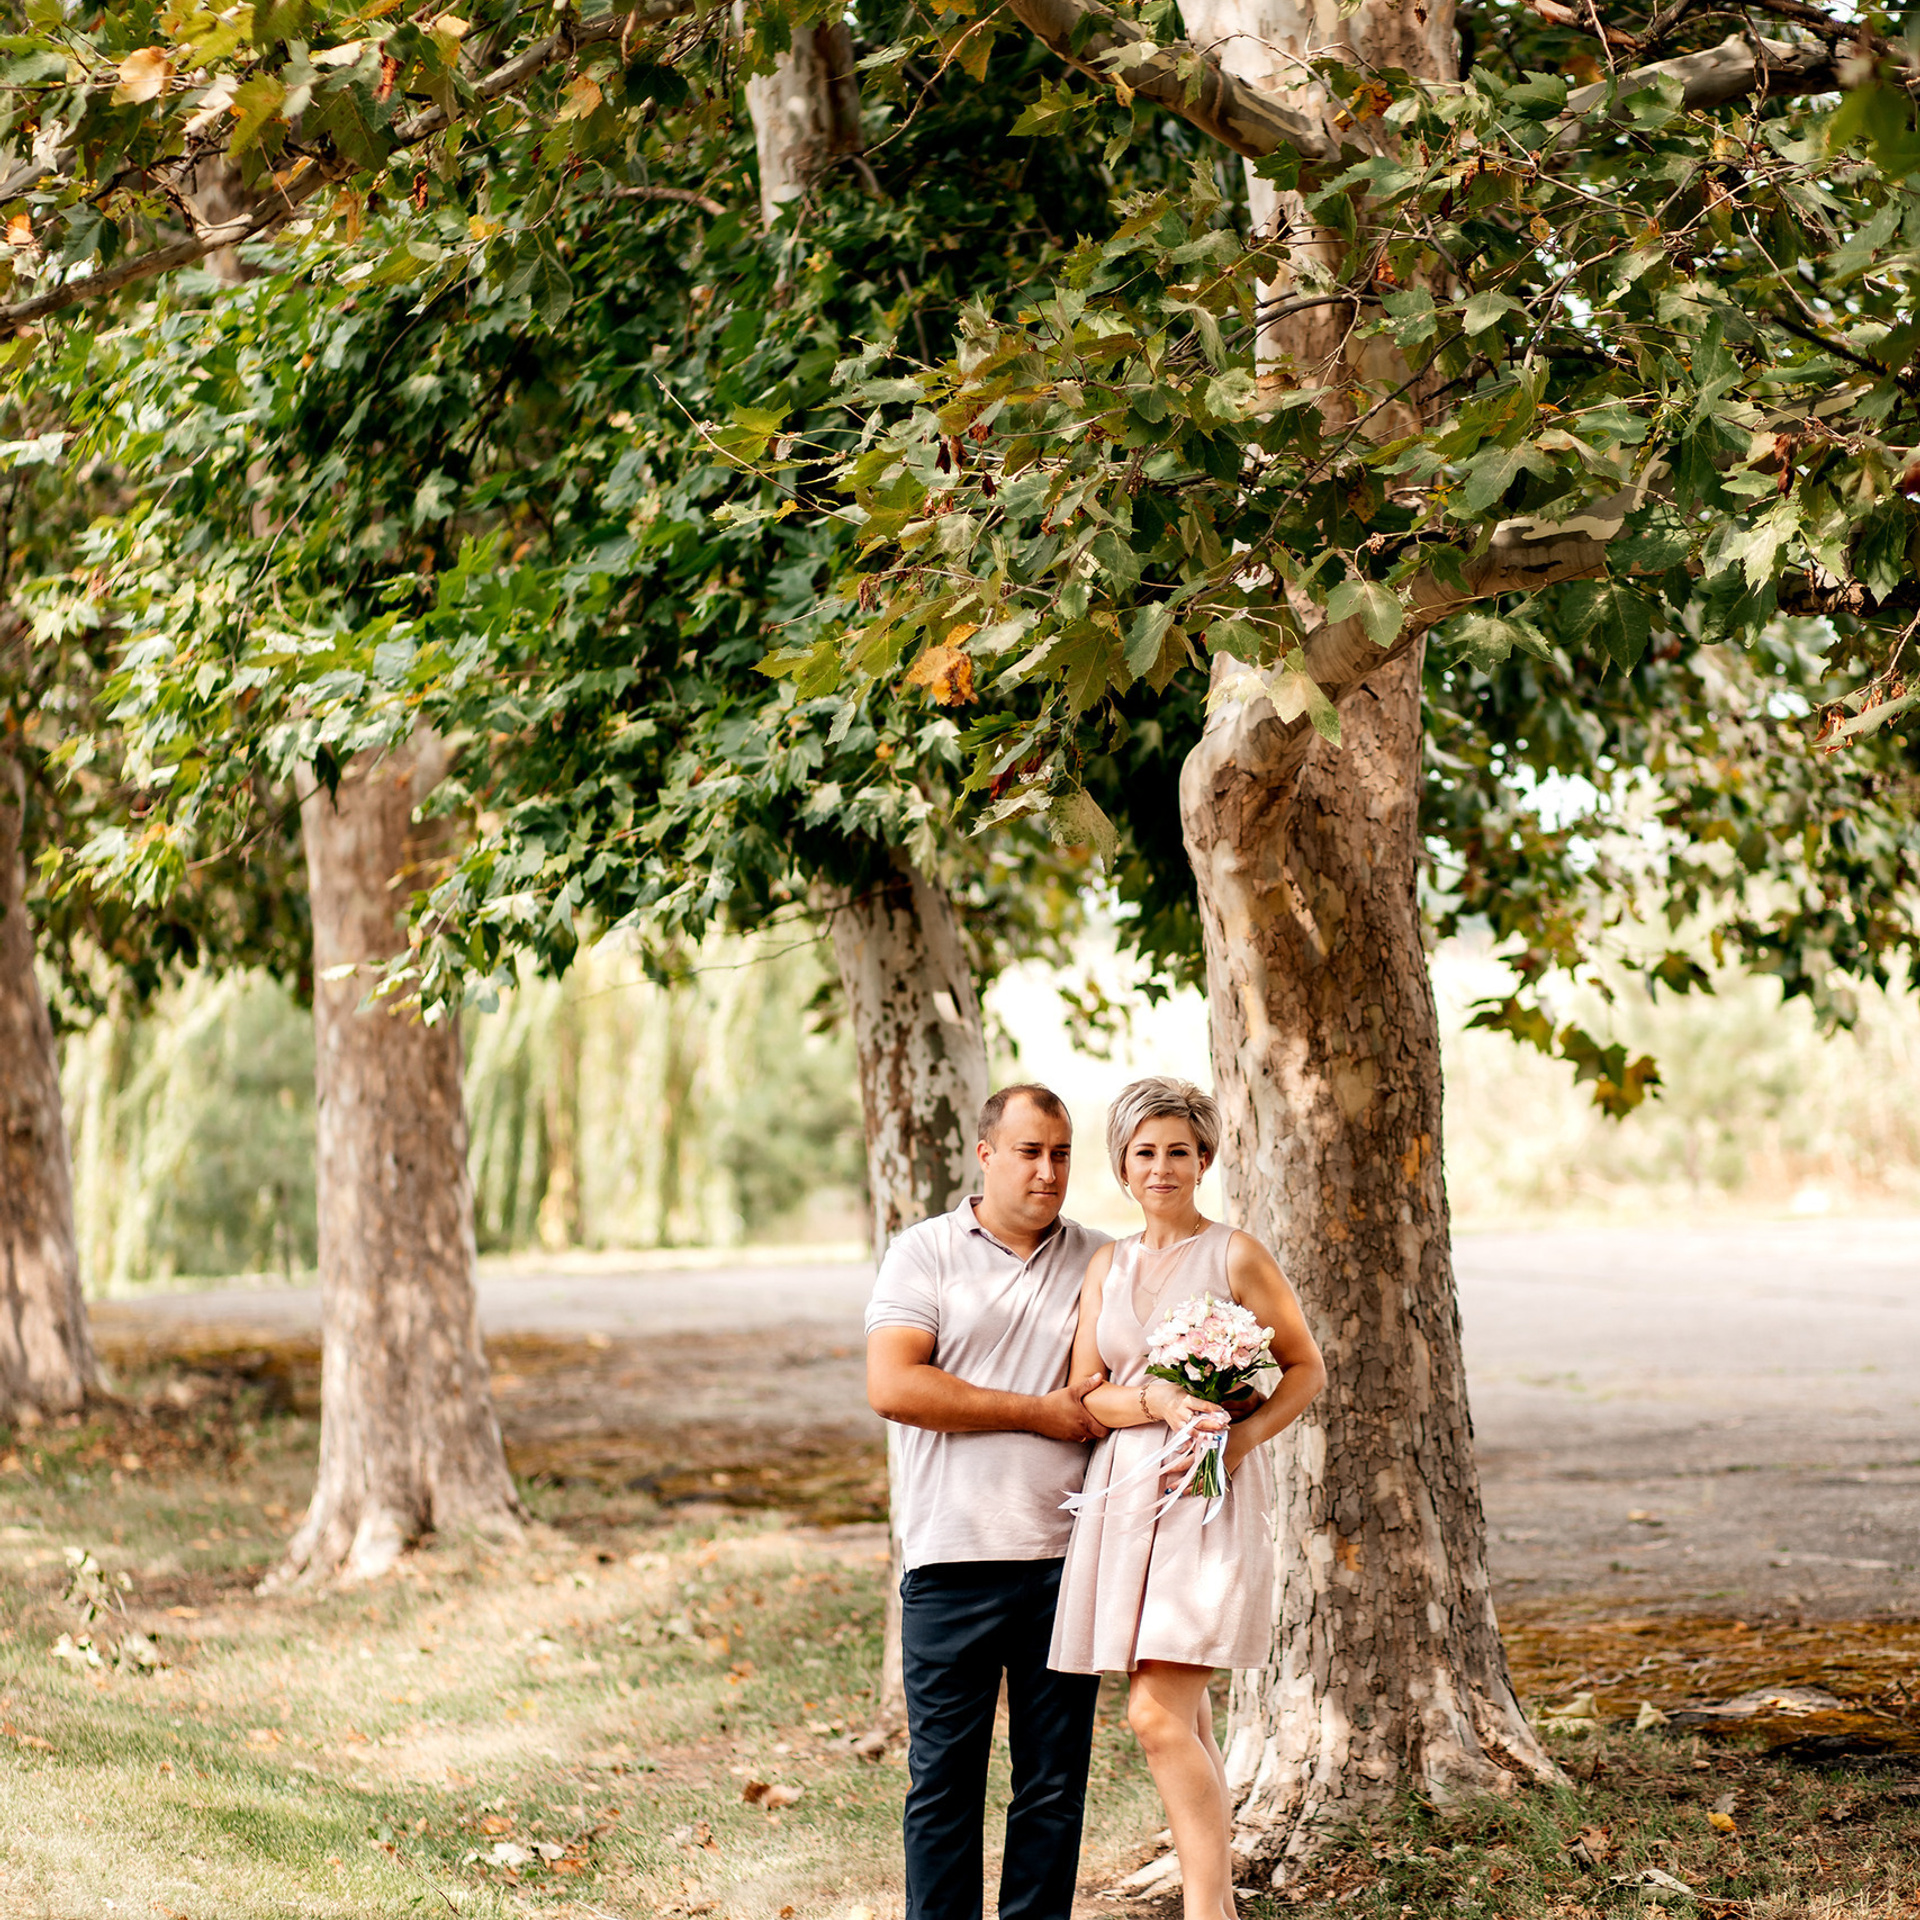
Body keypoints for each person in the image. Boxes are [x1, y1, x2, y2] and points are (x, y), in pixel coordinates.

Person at [1049, 1076, 1326, 1920]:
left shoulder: (1236, 1254)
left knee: (1155, 1712)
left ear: (1204, 1159)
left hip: (1209, 1498)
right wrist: (1159, 1403)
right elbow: (1086, 1396)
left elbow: (1305, 1369)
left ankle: (1211, 1912)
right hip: (1128, 1498)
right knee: (1182, 1713)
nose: (1162, 1167)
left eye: (1178, 1151)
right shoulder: (1107, 1263)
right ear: (1123, 1167)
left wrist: (1234, 1442)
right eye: (1145, 1153)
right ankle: (1218, 1903)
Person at [865, 1083, 1112, 1920]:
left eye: (1062, 1153)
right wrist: (1038, 1410)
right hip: (952, 1558)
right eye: (1029, 1151)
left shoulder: (1101, 1258)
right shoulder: (924, 1253)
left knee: (1052, 1788)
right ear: (986, 1155)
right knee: (943, 1784)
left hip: (1067, 1563)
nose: (1048, 1171)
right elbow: (895, 1386)